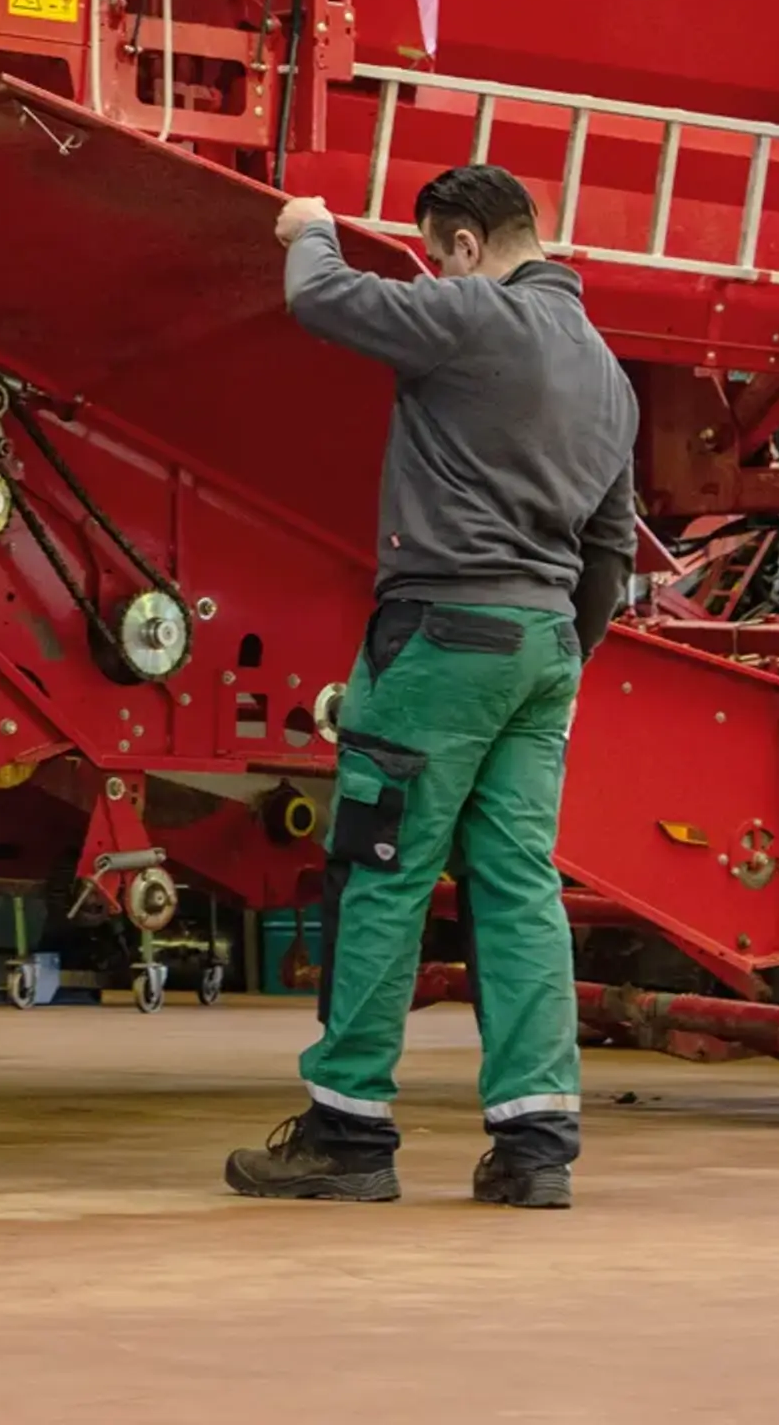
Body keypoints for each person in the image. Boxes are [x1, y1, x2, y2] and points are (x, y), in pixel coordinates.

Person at [223, 163, 637, 1211]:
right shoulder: (607, 373)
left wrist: (310, 227)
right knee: (518, 886)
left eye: (435, 254)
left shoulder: (473, 314)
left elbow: (321, 299)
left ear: (461, 245)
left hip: (443, 636)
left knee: (381, 870)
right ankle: (535, 1144)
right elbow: (611, 554)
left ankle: (347, 1131)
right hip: (545, 649)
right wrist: (554, 651)